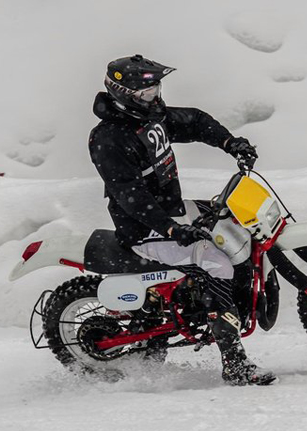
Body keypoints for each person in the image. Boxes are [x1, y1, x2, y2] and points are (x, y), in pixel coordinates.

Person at [88, 54, 275, 386]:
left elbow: (195, 122)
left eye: (156, 88)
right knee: (218, 263)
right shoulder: (109, 139)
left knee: (238, 227)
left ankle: (236, 306)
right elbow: (130, 195)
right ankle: (234, 364)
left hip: (173, 211)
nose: (155, 96)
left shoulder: (151, 118)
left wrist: (231, 143)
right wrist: (171, 229)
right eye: (146, 92)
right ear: (123, 93)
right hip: (146, 227)